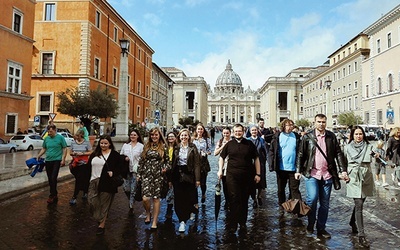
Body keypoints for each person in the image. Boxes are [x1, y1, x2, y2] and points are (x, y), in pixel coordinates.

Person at [295, 114, 345, 239]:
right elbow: (301, 154)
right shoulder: (307, 137)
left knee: (325, 203)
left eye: (323, 122)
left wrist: (343, 170)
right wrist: (298, 170)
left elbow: (338, 153)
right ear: (314, 122)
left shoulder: (331, 136)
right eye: (319, 122)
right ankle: (311, 224)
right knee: (312, 199)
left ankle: (321, 228)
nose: (321, 124)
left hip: (327, 174)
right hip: (311, 174)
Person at [218, 124, 261, 234]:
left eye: (240, 131)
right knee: (233, 199)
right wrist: (220, 170)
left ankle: (242, 222)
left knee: (244, 200)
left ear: (243, 131)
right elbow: (221, 157)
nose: (238, 133)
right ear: (233, 132)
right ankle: (233, 223)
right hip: (232, 175)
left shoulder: (249, 144)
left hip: (247, 176)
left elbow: (256, 159)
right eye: (236, 131)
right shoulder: (229, 144)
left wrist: (258, 174)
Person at [343, 126, 376, 248]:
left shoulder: (369, 147)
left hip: (366, 177)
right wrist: (344, 173)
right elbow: (343, 163)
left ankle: (352, 221)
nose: (358, 136)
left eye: (360, 134)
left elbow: (378, 156)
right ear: (352, 135)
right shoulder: (346, 148)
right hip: (353, 178)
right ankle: (361, 235)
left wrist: (377, 155)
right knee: (359, 205)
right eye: (356, 134)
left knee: (360, 202)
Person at [87, 135, 122, 235]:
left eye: (105, 143)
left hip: (107, 182)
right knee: (92, 202)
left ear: (110, 144)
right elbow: (88, 167)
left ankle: (101, 225)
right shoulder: (95, 154)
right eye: (101, 143)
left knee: (104, 204)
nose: (103, 145)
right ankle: (101, 217)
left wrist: (113, 173)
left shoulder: (114, 155)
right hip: (93, 181)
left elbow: (120, 168)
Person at [137, 127, 170, 230]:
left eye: (156, 135)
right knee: (145, 198)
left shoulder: (163, 147)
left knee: (156, 199)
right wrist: (139, 173)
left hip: (158, 176)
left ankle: (154, 221)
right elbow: (141, 161)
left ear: (159, 135)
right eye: (152, 135)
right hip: (146, 175)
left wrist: (165, 168)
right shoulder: (146, 146)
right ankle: (148, 212)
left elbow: (168, 162)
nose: (154, 137)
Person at [169, 129, 201, 233]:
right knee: (178, 198)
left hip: (189, 175)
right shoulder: (176, 147)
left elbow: (196, 164)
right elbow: (172, 163)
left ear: (189, 136)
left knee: (189, 197)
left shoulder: (193, 147)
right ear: (179, 137)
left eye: (186, 135)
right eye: (182, 135)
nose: (184, 137)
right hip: (177, 174)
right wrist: (170, 179)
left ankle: (190, 211)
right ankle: (182, 221)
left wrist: (197, 179)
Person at [269, 119, 302, 207]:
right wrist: (271, 165)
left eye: (292, 125)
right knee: (281, 189)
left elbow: (300, 151)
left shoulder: (296, 136)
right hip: (281, 168)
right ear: (283, 126)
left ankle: (295, 207)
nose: (291, 127)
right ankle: (282, 205)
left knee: (294, 189)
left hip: (293, 168)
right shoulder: (277, 136)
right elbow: (272, 151)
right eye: (288, 125)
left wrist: (300, 167)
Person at [37, 124, 68, 204]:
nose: (49, 133)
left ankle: (52, 195)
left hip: (57, 160)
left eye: (50, 131)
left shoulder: (60, 138)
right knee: (50, 178)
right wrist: (39, 155)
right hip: (48, 160)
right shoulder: (46, 139)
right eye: (48, 132)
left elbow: (64, 148)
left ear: (55, 130)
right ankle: (55, 193)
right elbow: (44, 148)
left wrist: (63, 159)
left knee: (53, 177)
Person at [120, 129, 144, 213]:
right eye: (131, 135)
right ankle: (131, 199)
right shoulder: (125, 145)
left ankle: (131, 206)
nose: (132, 136)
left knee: (133, 189)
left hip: (136, 170)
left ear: (138, 136)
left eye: (134, 135)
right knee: (126, 188)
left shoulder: (141, 146)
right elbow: (121, 156)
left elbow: (143, 158)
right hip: (126, 170)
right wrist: (124, 158)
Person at [68, 129, 93, 205]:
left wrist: (82, 153)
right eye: (76, 136)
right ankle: (85, 191)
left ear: (81, 135)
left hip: (84, 164)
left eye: (78, 136)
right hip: (75, 164)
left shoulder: (86, 143)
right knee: (80, 179)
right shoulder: (73, 143)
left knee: (79, 179)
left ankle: (74, 196)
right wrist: (74, 153)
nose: (76, 137)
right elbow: (70, 152)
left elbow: (90, 151)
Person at [247, 125, 267, 208]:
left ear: (257, 131)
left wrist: (265, 160)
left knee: (261, 181)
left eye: (255, 130)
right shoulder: (247, 140)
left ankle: (259, 196)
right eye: (252, 130)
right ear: (250, 132)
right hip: (250, 164)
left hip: (261, 163)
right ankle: (254, 198)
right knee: (252, 182)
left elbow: (265, 150)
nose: (254, 132)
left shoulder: (261, 140)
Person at [192, 123, 212, 205]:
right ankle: (195, 201)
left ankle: (203, 194)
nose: (200, 131)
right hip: (194, 163)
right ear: (196, 130)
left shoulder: (207, 140)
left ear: (203, 130)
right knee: (194, 183)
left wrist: (206, 153)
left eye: (201, 129)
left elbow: (210, 150)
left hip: (203, 163)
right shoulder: (192, 139)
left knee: (203, 183)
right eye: (198, 129)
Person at [214, 127, 232, 209]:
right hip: (223, 166)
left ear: (230, 133)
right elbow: (215, 153)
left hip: (232, 166)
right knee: (225, 185)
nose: (225, 135)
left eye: (227, 133)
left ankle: (231, 200)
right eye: (224, 133)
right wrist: (223, 146)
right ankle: (227, 200)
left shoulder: (233, 141)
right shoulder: (220, 142)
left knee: (232, 184)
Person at [165, 131, 178, 219]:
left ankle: (169, 209)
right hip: (165, 171)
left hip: (173, 172)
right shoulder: (164, 147)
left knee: (171, 192)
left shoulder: (177, 148)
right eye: (169, 137)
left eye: (172, 137)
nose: (170, 138)